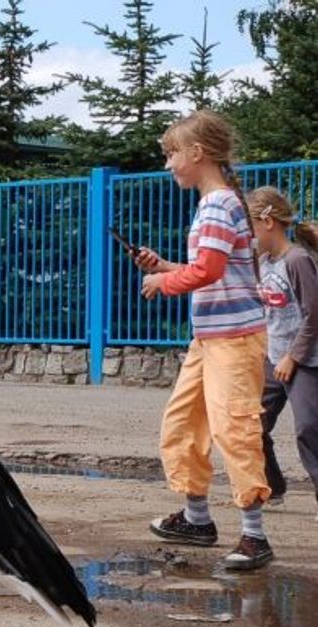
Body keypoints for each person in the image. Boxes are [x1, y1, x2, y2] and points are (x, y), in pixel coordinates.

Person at [134, 110, 273, 570]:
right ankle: (196, 520)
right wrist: (165, 267)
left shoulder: (218, 204)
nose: (169, 164)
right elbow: (214, 271)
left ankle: (255, 536)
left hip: (233, 340)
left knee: (235, 429)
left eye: (172, 153)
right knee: (183, 424)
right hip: (211, 338)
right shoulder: (217, 203)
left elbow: (209, 272)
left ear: (198, 153)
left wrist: (162, 284)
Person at [247, 185, 318, 520]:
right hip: (273, 357)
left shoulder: (297, 260)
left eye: (250, 227)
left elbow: (314, 313)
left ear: (268, 221)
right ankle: (273, 486)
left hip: (307, 361)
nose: (248, 236)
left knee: (309, 428)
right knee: (252, 424)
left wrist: (294, 357)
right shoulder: (263, 262)